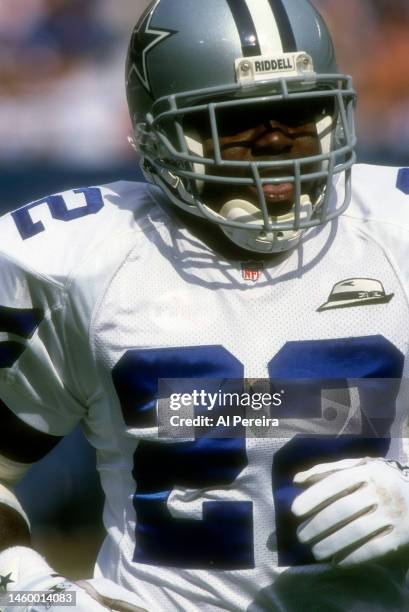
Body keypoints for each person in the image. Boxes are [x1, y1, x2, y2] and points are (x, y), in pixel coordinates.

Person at [1, 0, 409, 610]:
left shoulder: (398, 224)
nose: (278, 145)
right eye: (238, 121)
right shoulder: (74, 259)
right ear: (156, 133)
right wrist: (30, 591)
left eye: (301, 112)